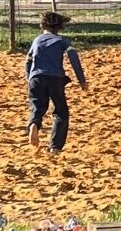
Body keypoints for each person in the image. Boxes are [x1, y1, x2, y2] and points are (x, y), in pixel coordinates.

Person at [24, 11, 88, 155]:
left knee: (37, 107)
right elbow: (73, 58)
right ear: (59, 27)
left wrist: (29, 78)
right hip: (55, 79)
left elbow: (28, 61)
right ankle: (55, 147)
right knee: (61, 112)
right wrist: (82, 80)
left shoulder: (37, 40)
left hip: (36, 78)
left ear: (42, 26)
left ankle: (34, 125)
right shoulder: (62, 41)